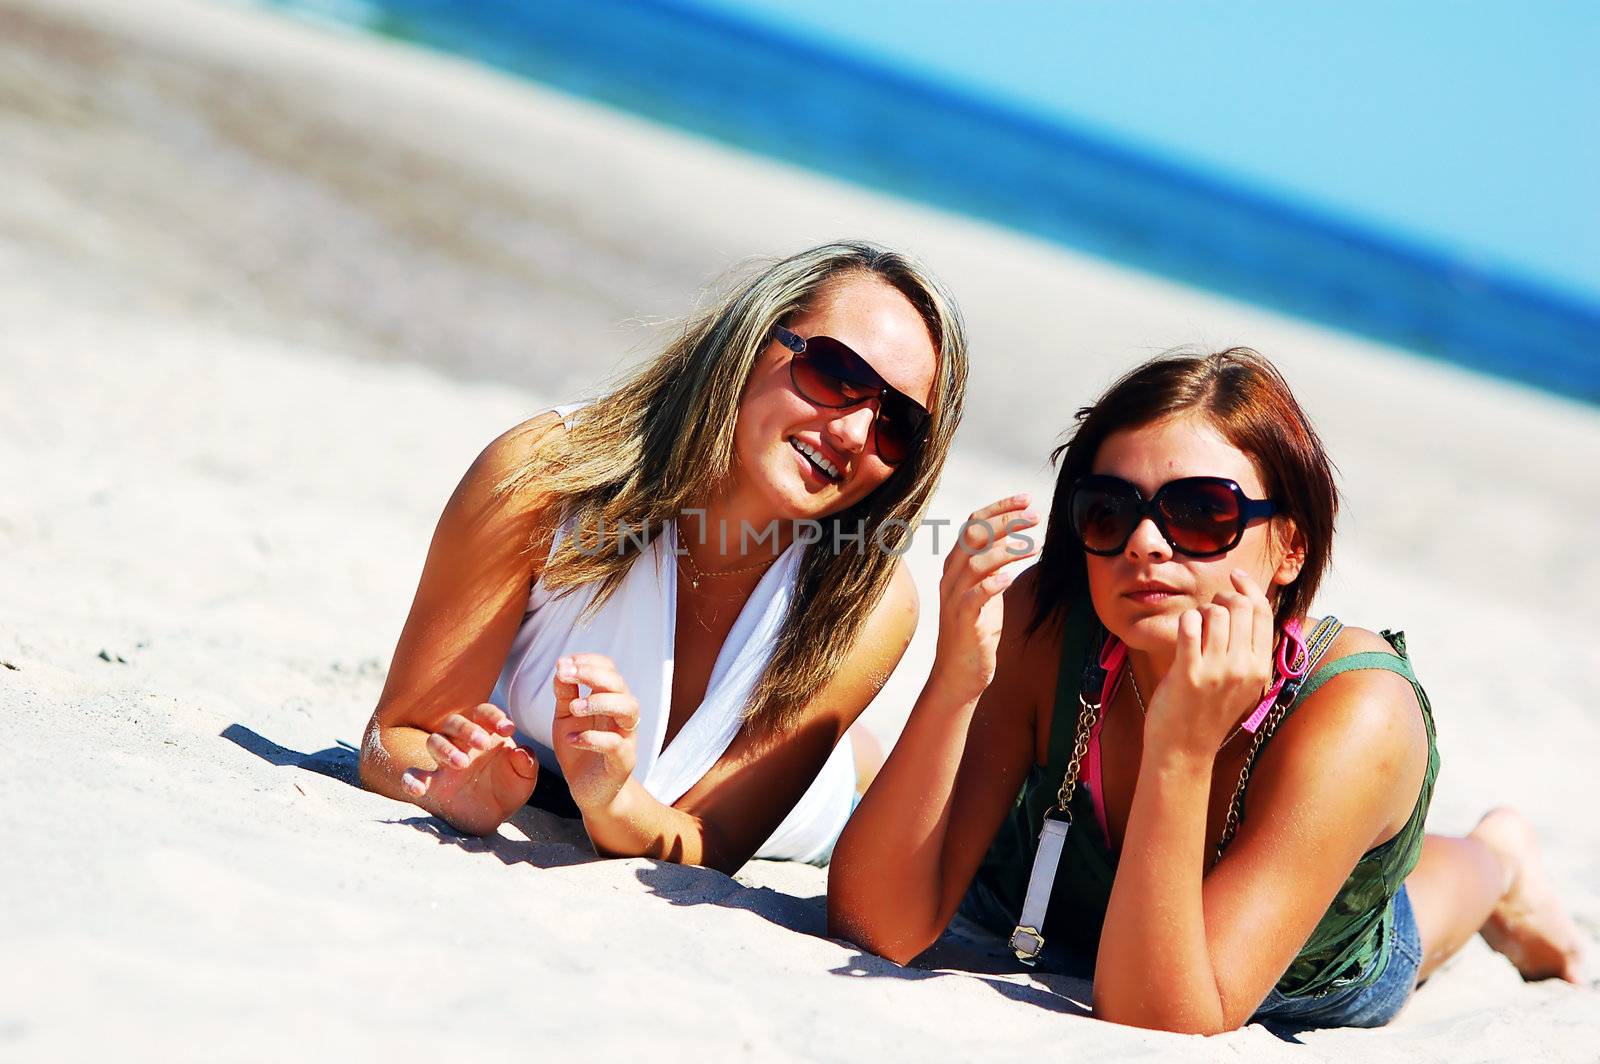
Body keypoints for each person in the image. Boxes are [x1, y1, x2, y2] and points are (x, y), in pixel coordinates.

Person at [828, 348, 1583, 1031]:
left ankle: (1501, 858)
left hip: (1288, 971)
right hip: (1049, 899)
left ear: (1290, 548)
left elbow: (1160, 1021)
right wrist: (955, 683)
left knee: (1420, 907)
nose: (1145, 543)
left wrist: (1181, 750)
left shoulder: (1356, 710)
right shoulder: (1049, 621)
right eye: (1109, 510)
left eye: (1200, 513)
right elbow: (879, 924)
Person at [359, 241, 967, 870]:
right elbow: (395, 735)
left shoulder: (865, 605)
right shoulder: (546, 477)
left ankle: (855, 753)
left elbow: (716, 840)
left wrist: (613, 800)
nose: (852, 433)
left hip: (811, 809)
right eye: (836, 375)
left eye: (897, 422)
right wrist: (456, 790)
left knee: (849, 774)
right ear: (752, 343)